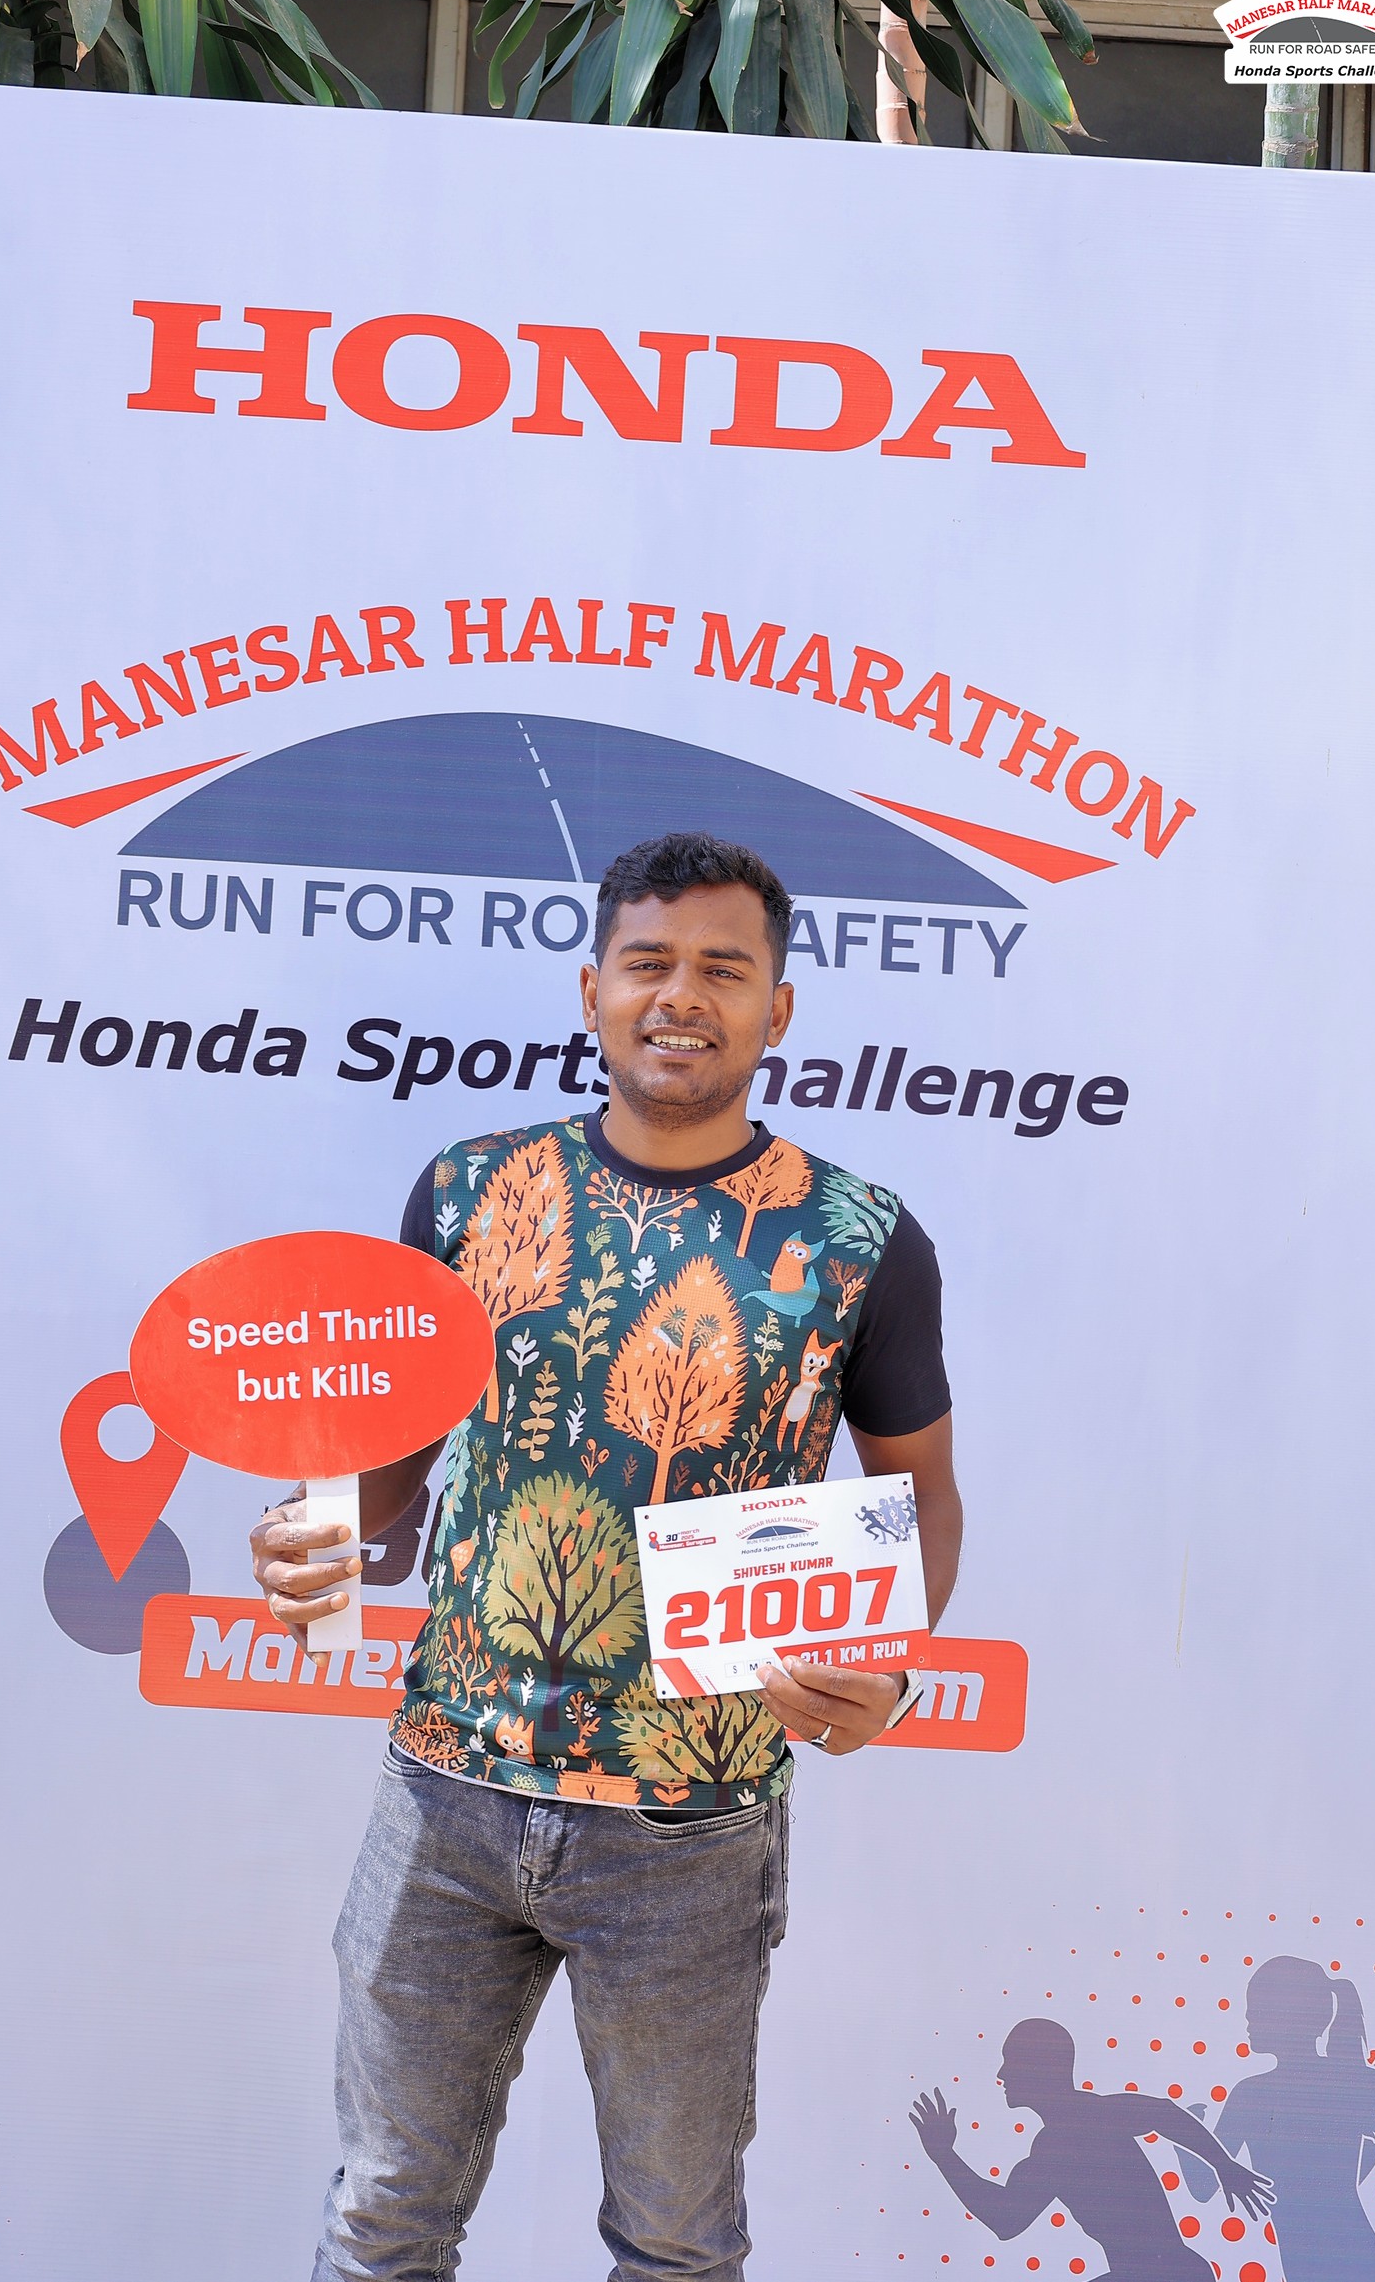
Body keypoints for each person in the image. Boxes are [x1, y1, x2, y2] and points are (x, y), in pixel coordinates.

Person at [250, 832, 964, 2282]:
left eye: (723, 969)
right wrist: (316, 1528)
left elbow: (922, 1499)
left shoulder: (861, 1241)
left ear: (777, 1007)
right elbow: (393, 1460)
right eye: (649, 962)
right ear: (592, 990)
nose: (680, 996)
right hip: (446, 1789)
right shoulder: (468, 1193)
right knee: (382, 2218)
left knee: (676, 2244)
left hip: (689, 1824)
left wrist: (883, 1664)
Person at [911, 2017, 1272, 2280]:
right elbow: (1164, 2114)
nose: (1002, 2074)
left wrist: (944, 2155)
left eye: (1012, 2060)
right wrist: (1222, 2164)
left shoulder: (1066, 2136)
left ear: (1040, 2067)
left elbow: (1006, 2219)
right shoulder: (1091, 2117)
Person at [1203, 1956, 1375, 2281]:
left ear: (1288, 2016)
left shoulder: (1251, 2094)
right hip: (1339, 2258)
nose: (1249, 2019)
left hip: (1334, 2260)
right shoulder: (1347, 2078)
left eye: (1257, 2008)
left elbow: (1201, 2184)